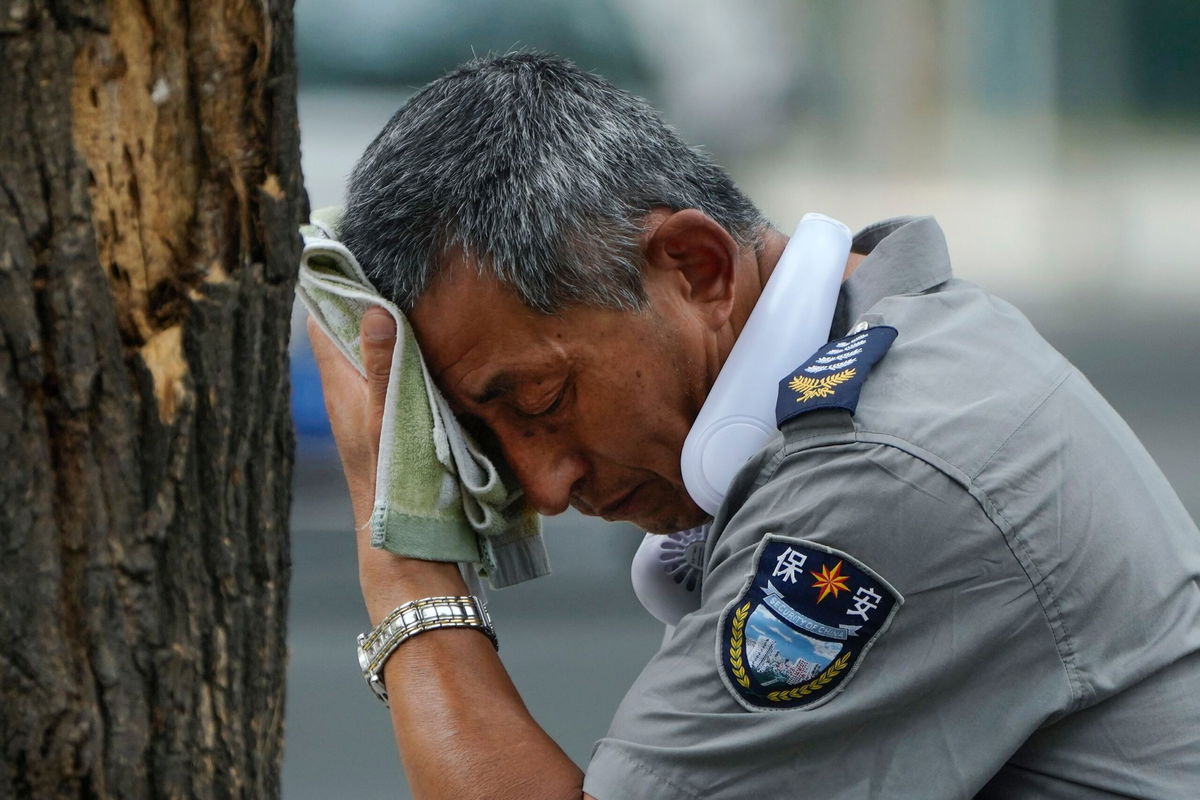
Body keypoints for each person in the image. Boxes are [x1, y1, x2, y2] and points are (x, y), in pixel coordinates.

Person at [308, 52, 1200, 799]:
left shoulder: (876, 477)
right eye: (483, 438)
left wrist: (403, 560)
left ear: (695, 268)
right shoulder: (895, 330)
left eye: (540, 403)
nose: (544, 484)